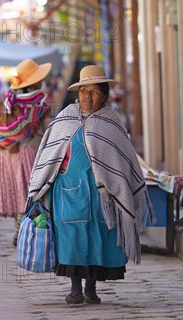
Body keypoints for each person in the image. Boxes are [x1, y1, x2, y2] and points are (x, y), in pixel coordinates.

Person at [27, 65, 153, 304]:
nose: (87, 96)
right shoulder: (64, 118)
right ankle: (75, 288)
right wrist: (44, 183)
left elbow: (124, 158)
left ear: (104, 95)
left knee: (98, 236)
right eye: (84, 90)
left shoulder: (112, 123)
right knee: (71, 238)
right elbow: (48, 153)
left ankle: (91, 288)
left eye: (94, 91)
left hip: (101, 195)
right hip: (67, 191)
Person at [0, 59, 51, 246]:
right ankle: (27, 234)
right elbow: (47, 129)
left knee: (20, 194)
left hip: (6, 153)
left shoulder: (6, 100)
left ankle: (20, 232)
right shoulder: (38, 102)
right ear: (35, 82)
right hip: (29, 152)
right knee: (34, 194)